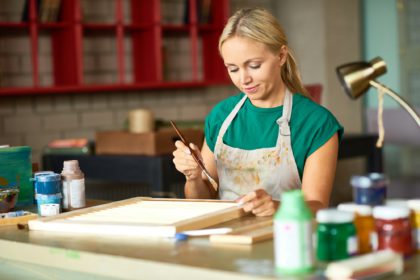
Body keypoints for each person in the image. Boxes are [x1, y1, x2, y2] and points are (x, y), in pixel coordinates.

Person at [173, 7, 343, 217]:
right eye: (233, 69)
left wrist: (277, 207)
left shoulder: (317, 123)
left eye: (253, 65)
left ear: (281, 56)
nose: (243, 79)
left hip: (287, 240)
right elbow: (201, 202)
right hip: (227, 241)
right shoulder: (221, 116)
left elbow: (317, 207)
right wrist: (194, 177)